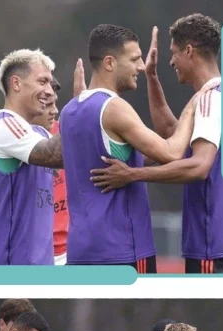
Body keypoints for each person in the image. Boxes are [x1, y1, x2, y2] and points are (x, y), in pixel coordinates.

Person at [91, 15, 223, 274]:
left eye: (174, 53)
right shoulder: (221, 95)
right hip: (213, 243)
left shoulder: (210, 100)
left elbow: (199, 166)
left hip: (213, 244)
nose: (171, 61)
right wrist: (152, 77)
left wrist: (132, 175)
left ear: (189, 51)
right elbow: (171, 134)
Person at [60, 24, 200, 270]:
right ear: (110, 63)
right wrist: (192, 108)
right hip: (123, 248)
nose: (141, 67)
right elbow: (172, 152)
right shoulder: (114, 108)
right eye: (134, 59)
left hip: (81, 251)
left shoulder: (69, 110)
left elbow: (106, 156)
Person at [0, 78, 70, 265]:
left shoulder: (63, 136)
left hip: (70, 256)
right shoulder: (10, 138)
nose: (54, 111)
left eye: (55, 103)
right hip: (24, 261)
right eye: (47, 105)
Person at [0, 49, 63, 266]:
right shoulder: (4, 126)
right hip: (12, 267)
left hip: (42, 267)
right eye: (42, 82)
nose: (50, 91)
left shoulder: (41, 134)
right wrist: (80, 109)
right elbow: (53, 154)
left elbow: (79, 157)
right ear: (16, 83)